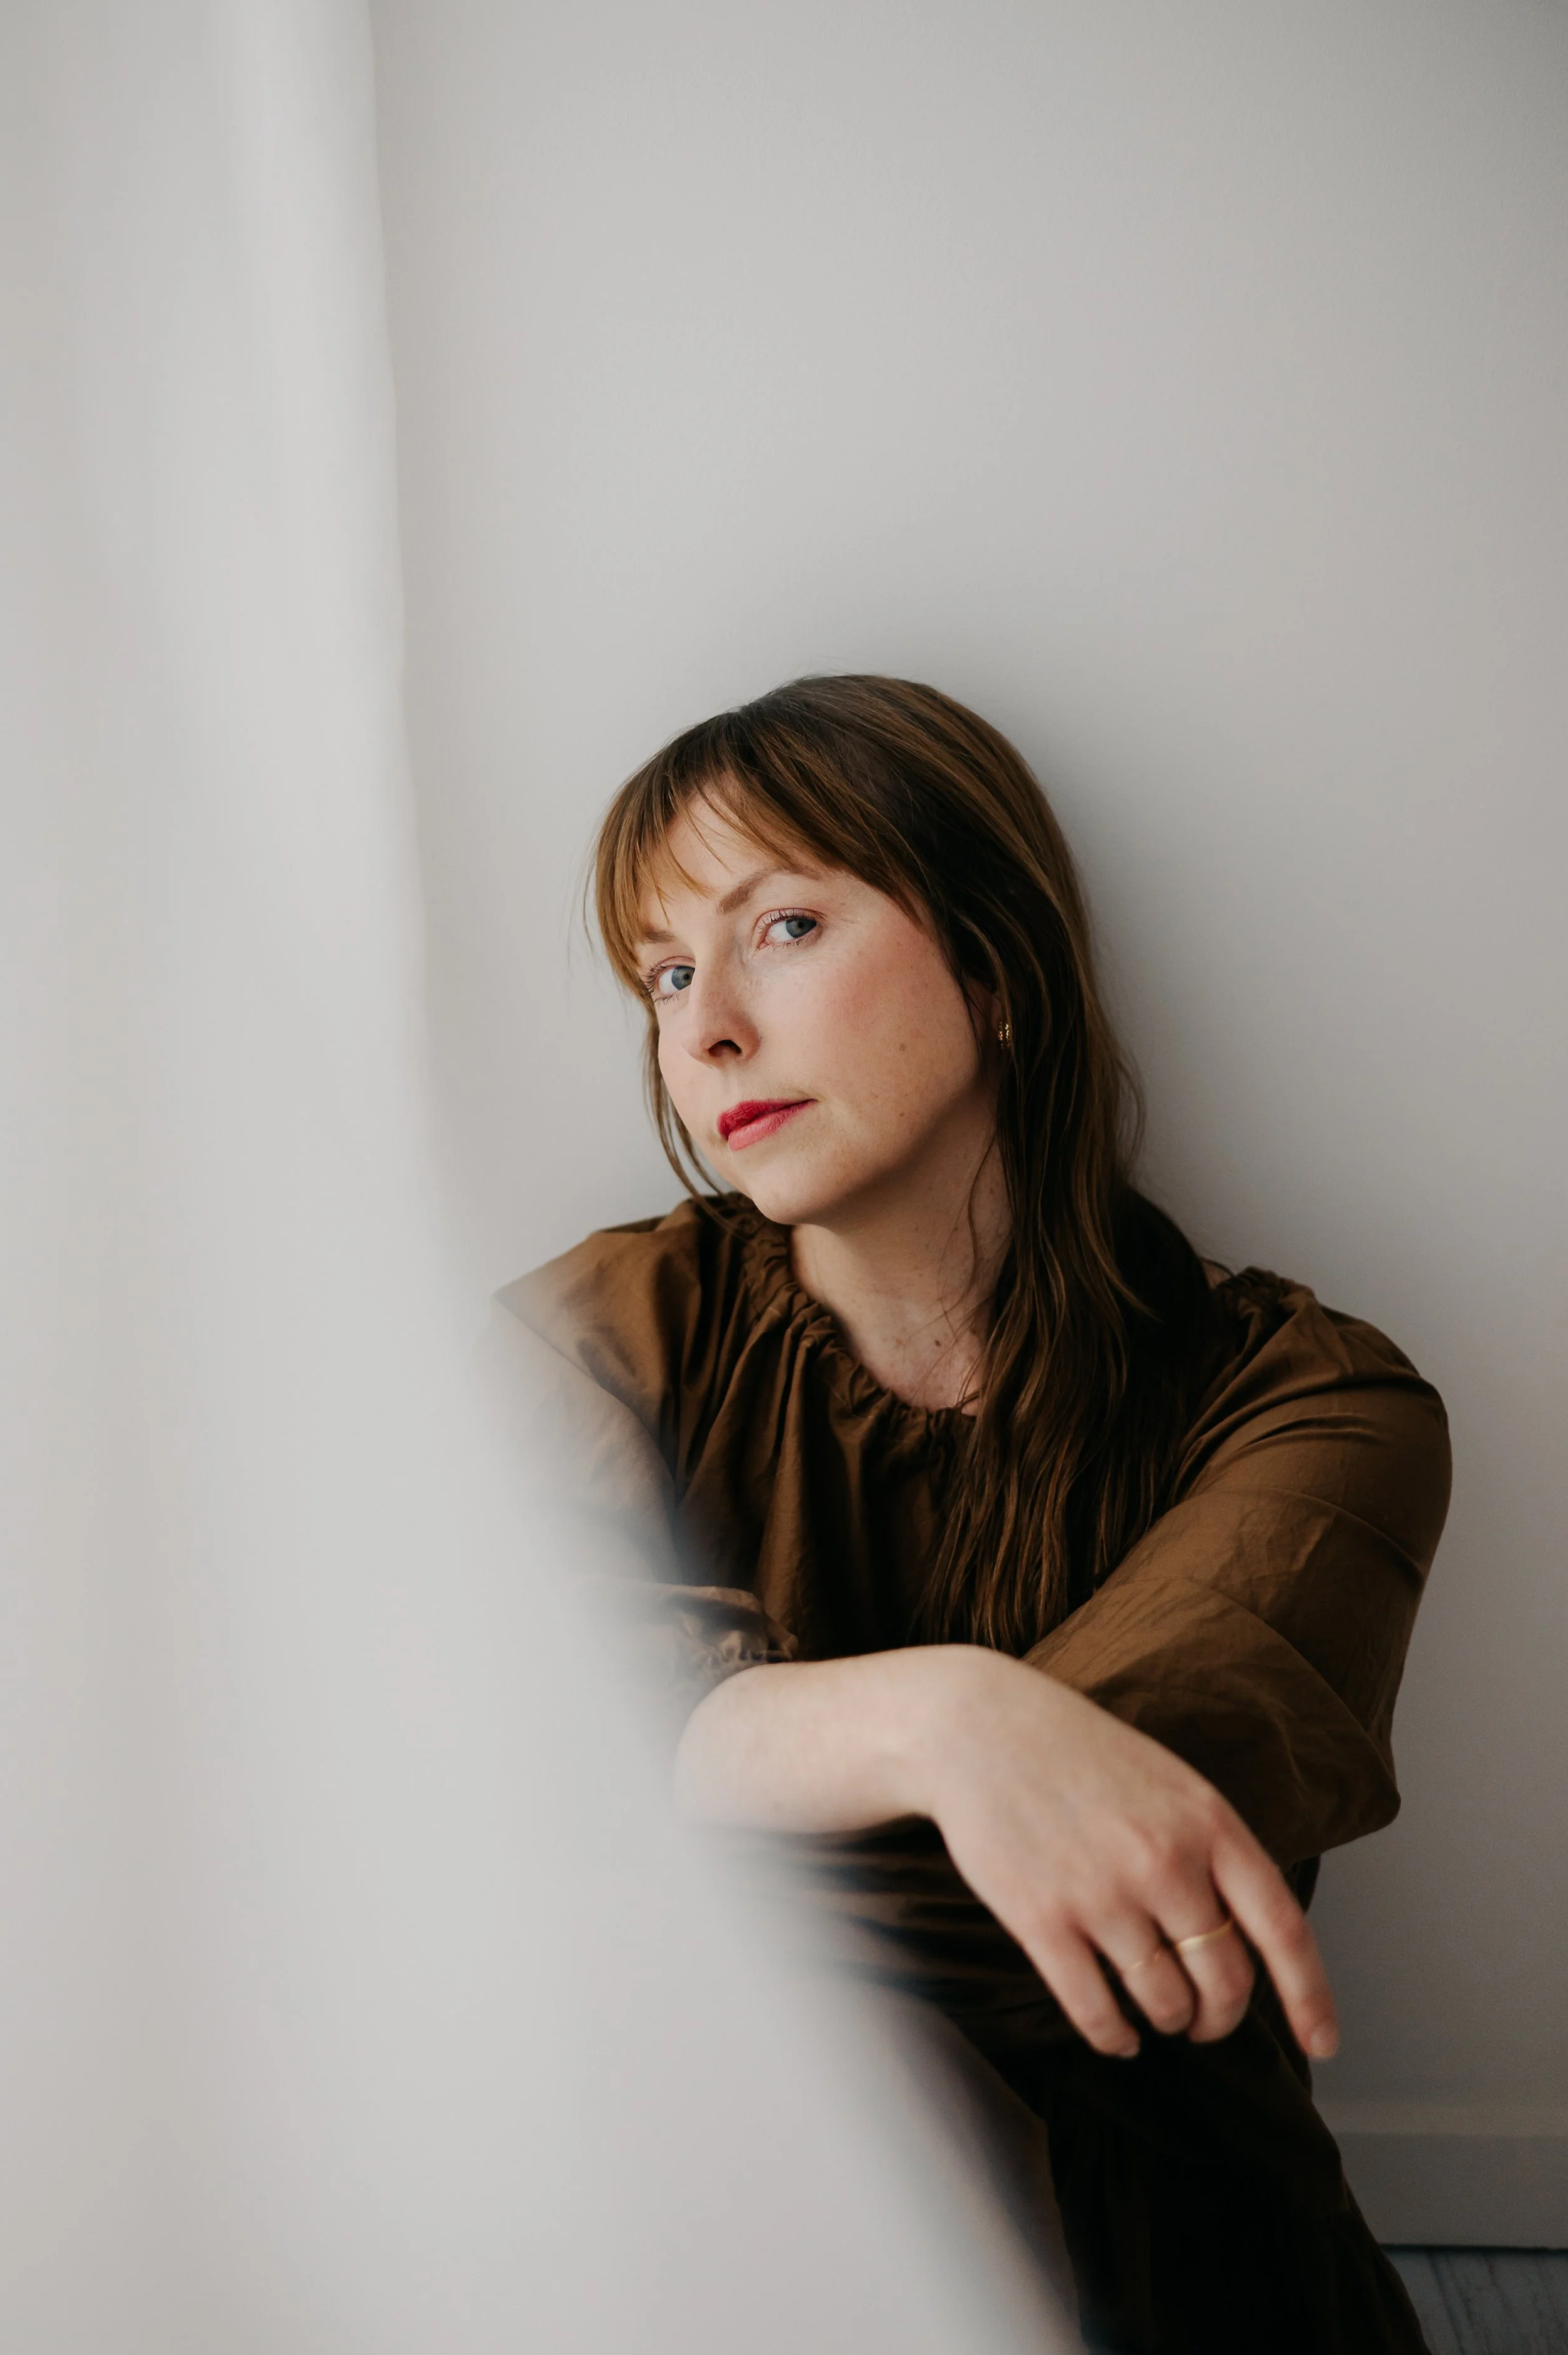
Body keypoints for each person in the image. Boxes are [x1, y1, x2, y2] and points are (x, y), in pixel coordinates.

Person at [501, 675, 1451, 2353]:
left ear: (996, 963)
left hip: (1168, 2236)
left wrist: (692, 1789)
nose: (703, 1024)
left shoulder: (1319, 1413)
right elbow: (470, 1757)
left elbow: (1109, 1894)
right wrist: (939, 1716)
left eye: (779, 924)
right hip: (724, 2220)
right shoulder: (592, 1339)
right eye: (661, 973)